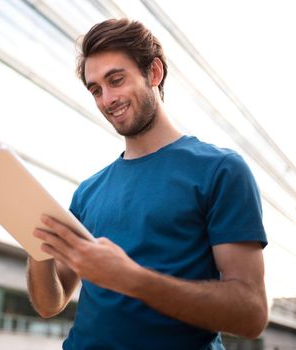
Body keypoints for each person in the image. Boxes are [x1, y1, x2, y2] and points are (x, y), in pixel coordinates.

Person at [27, 18, 268, 350]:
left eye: (116, 80)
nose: (107, 99)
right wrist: (34, 244)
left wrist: (132, 279)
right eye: (96, 89)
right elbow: (49, 303)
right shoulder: (88, 192)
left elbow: (252, 314)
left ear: (153, 73)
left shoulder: (221, 170)